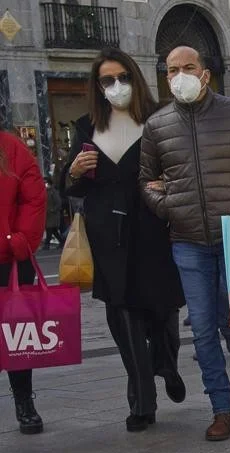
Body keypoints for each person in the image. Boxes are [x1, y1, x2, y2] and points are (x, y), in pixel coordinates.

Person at [140, 45, 230, 442]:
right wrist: (167, 206)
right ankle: (221, 408)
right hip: (187, 241)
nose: (181, 74)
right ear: (165, 76)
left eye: (189, 66)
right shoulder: (157, 126)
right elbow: (145, 181)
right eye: (173, 69)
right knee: (203, 330)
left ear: (205, 73)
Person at [65, 48, 187, 432]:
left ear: (135, 78)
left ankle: (166, 362)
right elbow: (66, 185)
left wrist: (169, 183)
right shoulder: (87, 127)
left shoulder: (159, 119)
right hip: (108, 235)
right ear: (97, 86)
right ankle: (141, 401)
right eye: (107, 80)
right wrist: (73, 172)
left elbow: (182, 168)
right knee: (124, 316)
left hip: (153, 227)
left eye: (122, 77)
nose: (116, 86)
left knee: (164, 309)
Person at [0, 130, 48, 434]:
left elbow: (33, 198)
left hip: (10, 259)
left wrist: (18, 242)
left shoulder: (12, 148)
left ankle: (24, 401)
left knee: (18, 336)